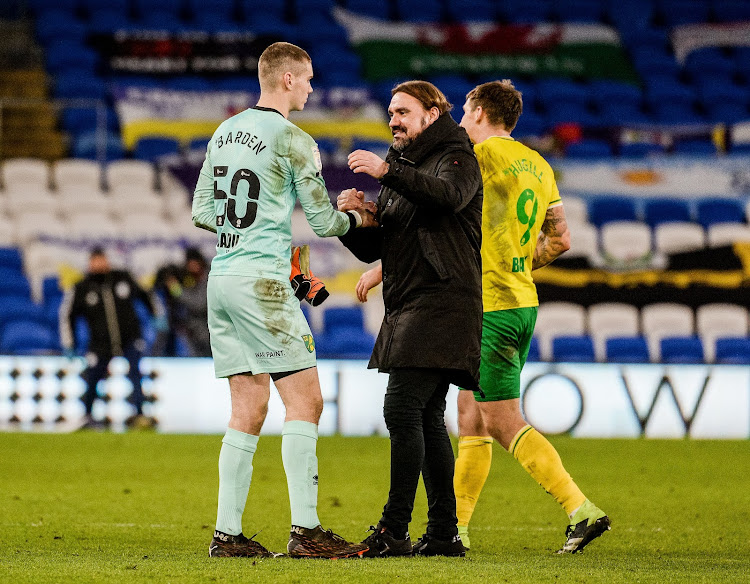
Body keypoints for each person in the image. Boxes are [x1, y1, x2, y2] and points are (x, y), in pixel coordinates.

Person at [354, 80, 611, 556]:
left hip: (487, 306)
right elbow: (560, 240)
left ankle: (581, 509)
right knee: (469, 421)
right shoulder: (539, 164)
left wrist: (385, 265)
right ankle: (454, 530)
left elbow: (441, 212)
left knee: (500, 421)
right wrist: (514, 262)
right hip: (521, 299)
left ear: (475, 111)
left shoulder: (478, 157)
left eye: (464, 112)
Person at [191, 41, 375, 559]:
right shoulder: (296, 140)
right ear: (288, 80)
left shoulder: (225, 131)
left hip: (223, 278)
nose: (313, 87)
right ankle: (307, 531)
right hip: (262, 283)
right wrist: (359, 218)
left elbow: (203, 210)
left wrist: (254, 234)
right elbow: (322, 223)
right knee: (307, 401)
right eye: (309, 78)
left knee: (247, 408)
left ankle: (226, 535)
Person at [337, 80, 483, 558]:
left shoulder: (456, 155)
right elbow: (386, 245)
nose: (394, 120)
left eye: (403, 111)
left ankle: (393, 530)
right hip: (415, 302)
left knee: (402, 410)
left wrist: (386, 172)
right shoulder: (405, 165)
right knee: (426, 416)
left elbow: (447, 198)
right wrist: (358, 219)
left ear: (433, 112)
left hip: (442, 302)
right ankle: (443, 533)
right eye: (390, 112)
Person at [59, 247, 157, 429]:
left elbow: (146, 295)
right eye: (95, 260)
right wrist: (69, 344)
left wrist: (157, 315)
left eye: (102, 259)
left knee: (135, 374)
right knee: (93, 377)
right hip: (100, 343)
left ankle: (140, 415)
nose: (99, 264)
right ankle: (87, 416)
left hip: (130, 338)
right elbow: (68, 315)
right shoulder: (82, 287)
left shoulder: (123, 278)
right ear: (90, 263)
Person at [153, 247, 211, 357]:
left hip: (206, 333)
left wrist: (176, 290)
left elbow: (199, 304)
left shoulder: (209, 278)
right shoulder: (190, 277)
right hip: (194, 333)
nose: (190, 268)